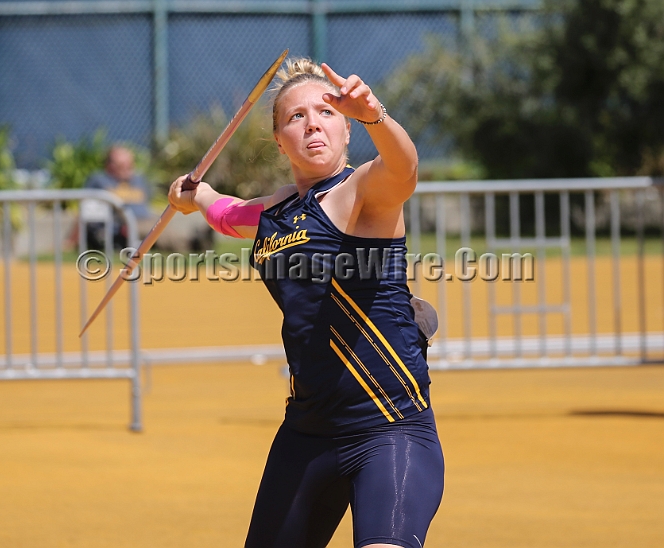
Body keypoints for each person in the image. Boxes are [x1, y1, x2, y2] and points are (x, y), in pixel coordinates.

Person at [168, 58, 444, 548]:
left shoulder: (363, 190)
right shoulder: (278, 210)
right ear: (278, 139)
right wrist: (198, 195)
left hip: (388, 429)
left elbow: (405, 169)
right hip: (308, 432)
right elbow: (232, 216)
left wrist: (375, 114)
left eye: (328, 111)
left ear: (346, 128)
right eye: (296, 116)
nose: (313, 122)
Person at [83, 145, 151, 249]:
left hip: (146, 223)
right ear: (110, 165)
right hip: (121, 227)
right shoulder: (99, 180)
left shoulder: (139, 180)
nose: (127, 169)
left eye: (130, 165)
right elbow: (87, 211)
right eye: (122, 165)